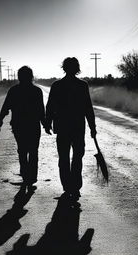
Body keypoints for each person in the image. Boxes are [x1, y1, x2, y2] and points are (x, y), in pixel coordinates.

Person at [45, 57, 97, 200]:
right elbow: (88, 108)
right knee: (77, 156)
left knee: (64, 157)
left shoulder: (57, 85)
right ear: (76, 68)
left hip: (62, 127)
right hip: (78, 127)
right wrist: (92, 127)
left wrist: (47, 123)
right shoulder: (82, 85)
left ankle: (67, 186)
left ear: (64, 68)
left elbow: (50, 106)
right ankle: (75, 186)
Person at [0, 66, 46, 188]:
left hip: (19, 126)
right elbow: (41, 111)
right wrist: (45, 124)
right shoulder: (36, 91)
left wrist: (0, 119)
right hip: (33, 125)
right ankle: (31, 176)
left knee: (23, 151)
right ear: (31, 76)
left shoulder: (14, 90)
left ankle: (25, 174)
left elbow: (5, 107)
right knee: (33, 151)